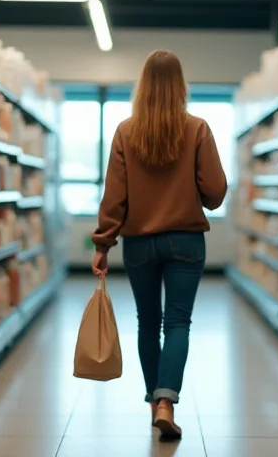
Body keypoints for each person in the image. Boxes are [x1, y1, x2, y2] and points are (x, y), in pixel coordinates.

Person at [90, 50, 227, 439]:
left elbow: (114, 197)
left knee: (147, 323)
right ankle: (167, 400)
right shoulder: (197, 129)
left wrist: (103, 243)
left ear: (143, 86)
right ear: (180, 86)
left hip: (138, 245)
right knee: (178, 322)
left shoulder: (126, 131)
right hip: (186, 241)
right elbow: (215, 192)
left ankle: (154, 402)